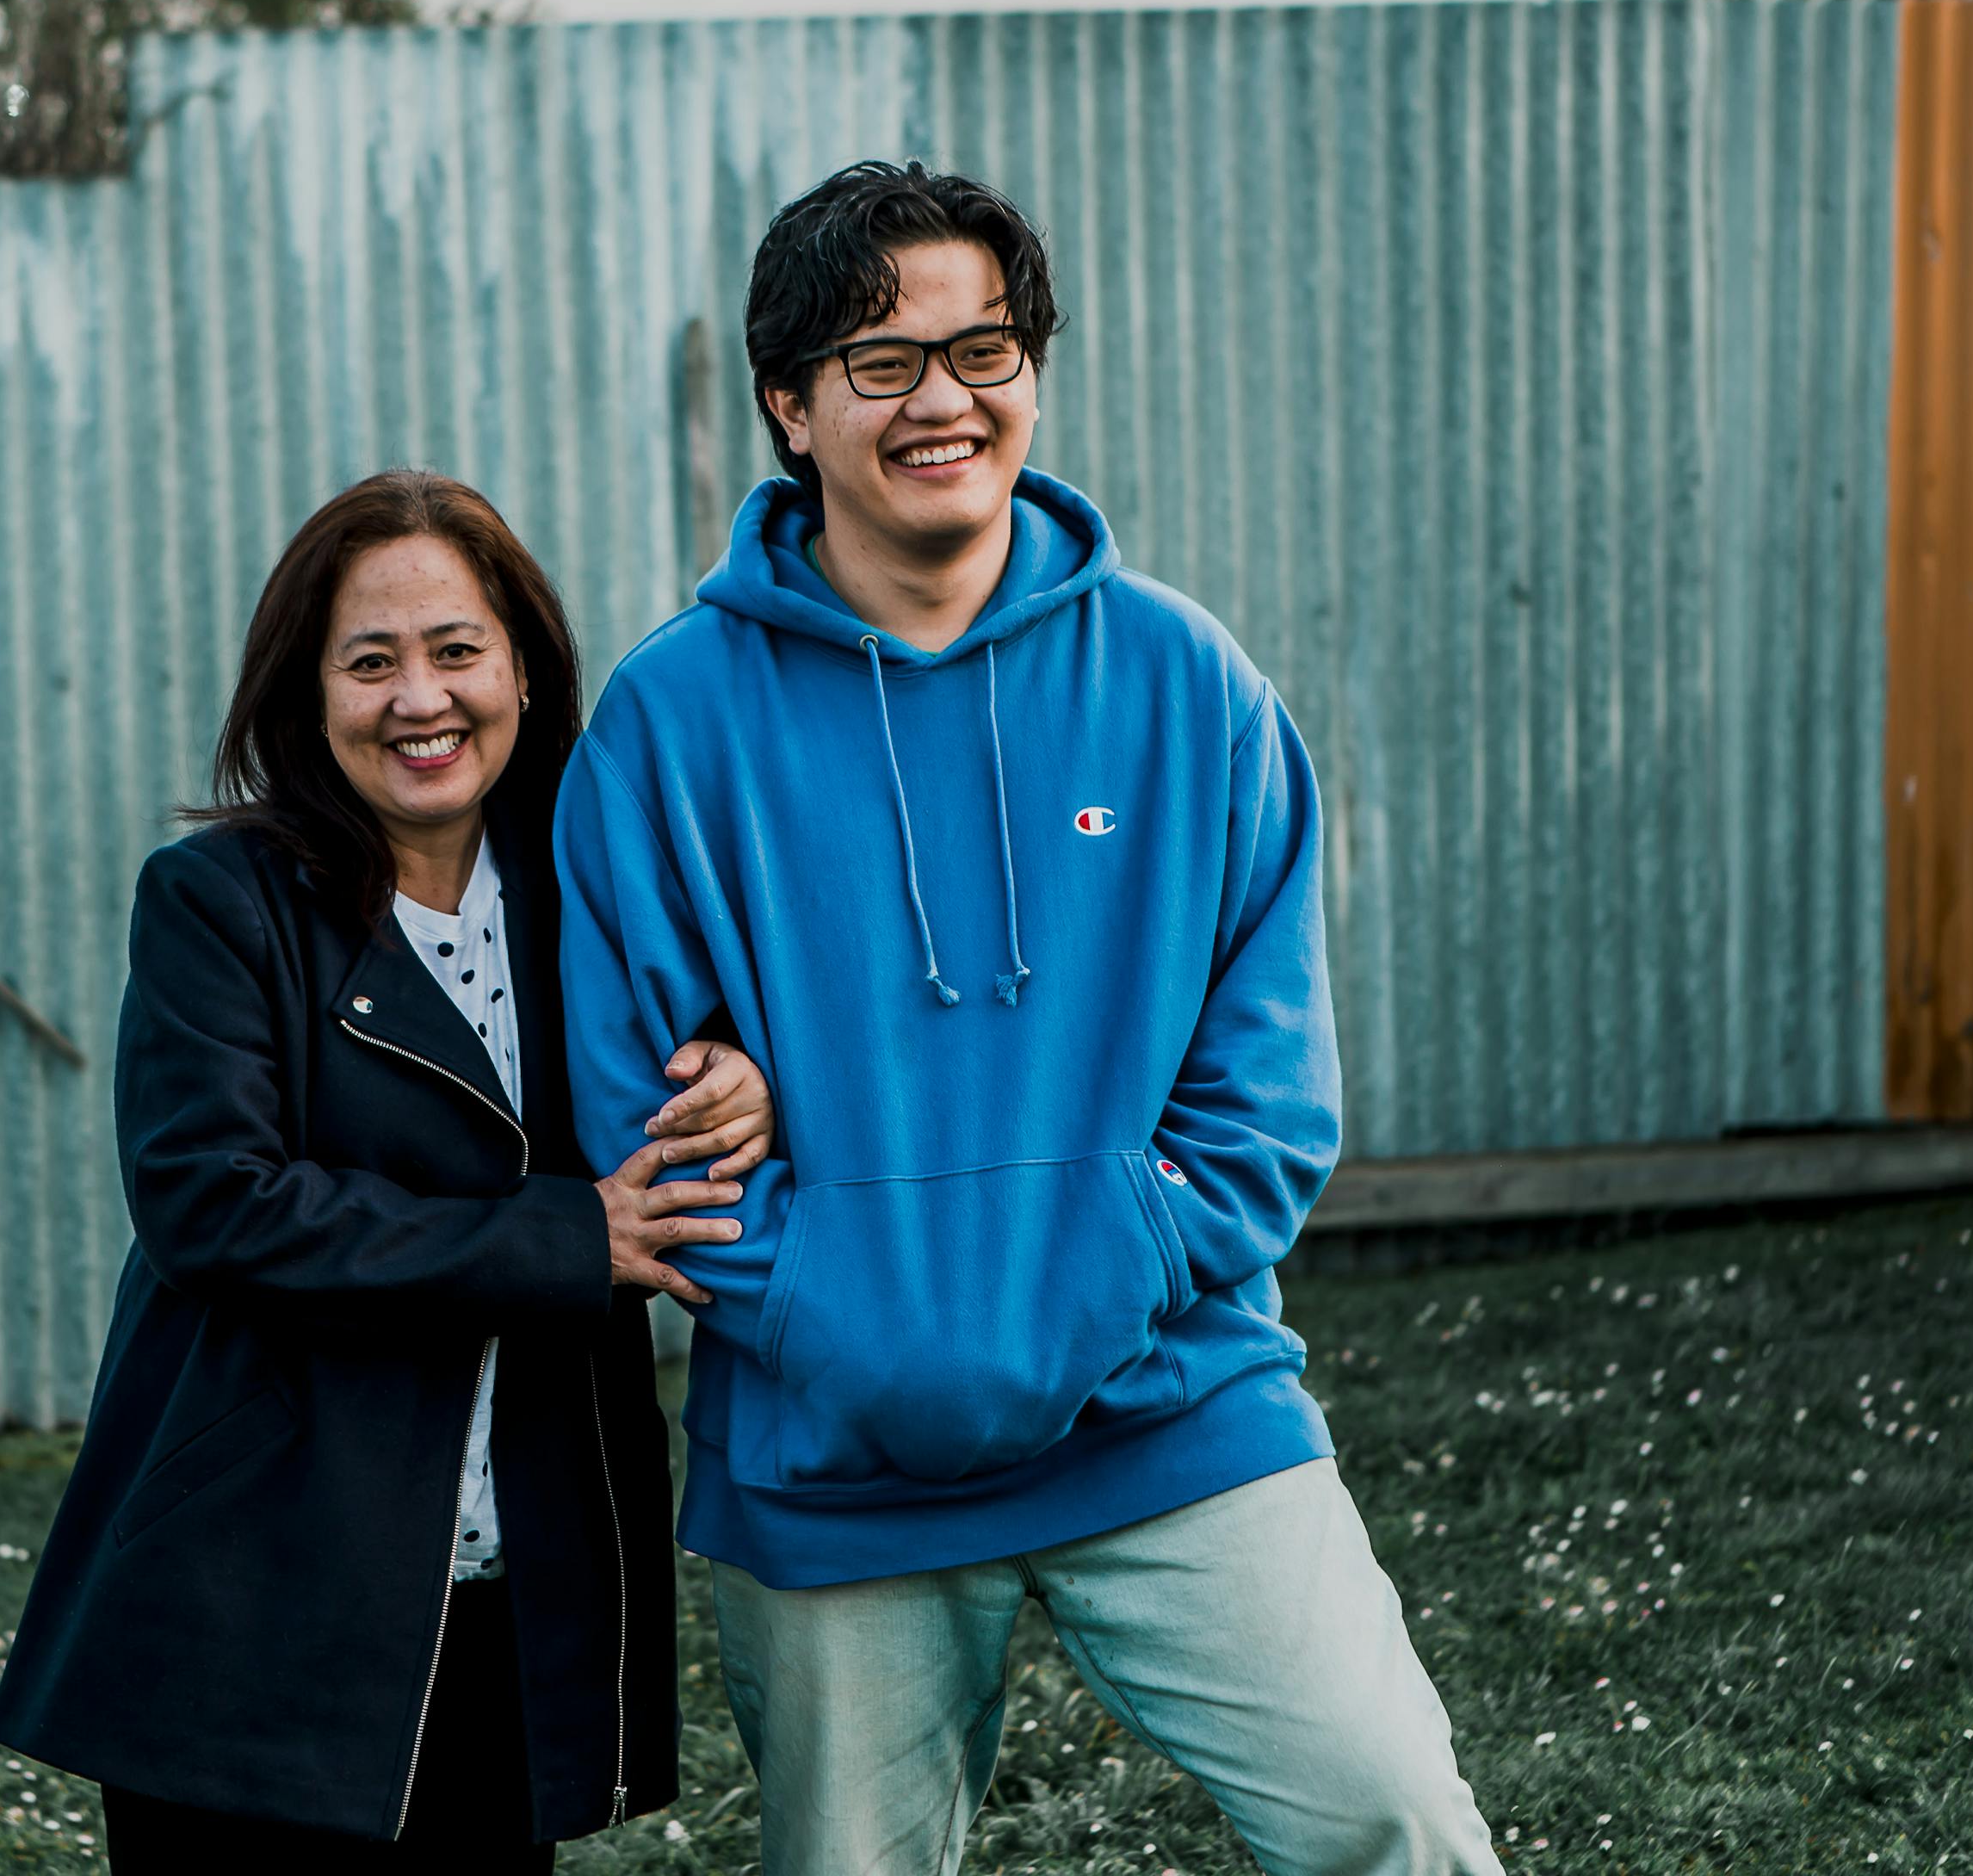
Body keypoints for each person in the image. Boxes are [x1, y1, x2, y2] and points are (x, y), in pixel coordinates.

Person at [554, 162, 1503, 1876]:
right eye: (882, 360)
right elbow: (644, 1115)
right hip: (830, 1462)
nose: (944, 399)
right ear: (789, 403)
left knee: (1396, 1814)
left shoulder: (1186, 683)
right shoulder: (668, 723)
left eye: (985, 348)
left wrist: (1096, 1266)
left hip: (1169, 1402)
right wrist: (868, 1318)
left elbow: (1268, 1103)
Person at [0, 470, 775, 1871]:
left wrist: (740, 1076)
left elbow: (711, 1051)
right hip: (261, 1605)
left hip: (516, 1589)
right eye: (372, 661)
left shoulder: (591, 896)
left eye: (458, 650)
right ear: (308, 700)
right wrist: (558, 1243)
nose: (422, 698)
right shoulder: (219, 902)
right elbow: (211, 1202)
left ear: (525, 672)